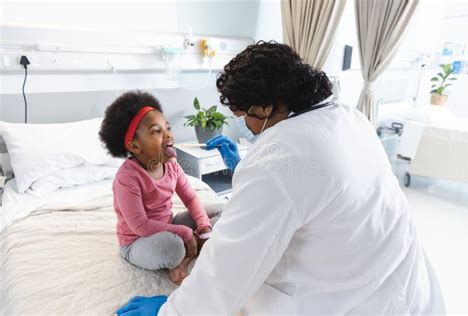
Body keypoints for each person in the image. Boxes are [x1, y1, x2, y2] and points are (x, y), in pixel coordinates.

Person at [116, 42, 445, 315]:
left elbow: (227, 270)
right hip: (405, 285)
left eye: (244, 116)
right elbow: (311, 183)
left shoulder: (279, 159)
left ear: (267, 107)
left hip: (354, 301)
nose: (245, 126)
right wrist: (247, 166)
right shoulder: (349, 117)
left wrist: (170, 310)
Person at [99, 91, 219, 285]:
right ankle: (188, 251)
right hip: (138, 240)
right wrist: (186, 232)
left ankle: (193, 248)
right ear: (135, 147)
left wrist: (203, 225)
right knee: (173, 246)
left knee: (222, 210)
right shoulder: (127, 178)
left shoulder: (171, 164)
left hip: (168, 223)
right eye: (156, 131)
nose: (168, 135)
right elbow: (141, 225)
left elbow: (190, 198)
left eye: (167, 128)